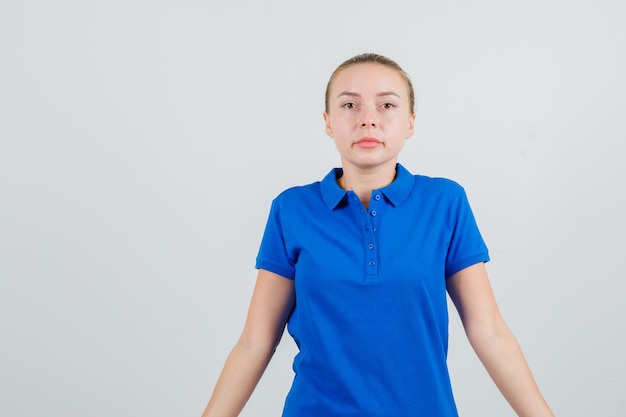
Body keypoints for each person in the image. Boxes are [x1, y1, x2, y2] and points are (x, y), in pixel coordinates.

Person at [201, 53, 554, 417]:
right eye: (350, 105)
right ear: (328, 122)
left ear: (410, 123)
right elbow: (254, 342)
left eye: (386, 105)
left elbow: (489, 331)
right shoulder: (291, 209)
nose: (368, 119)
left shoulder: (445, 202)